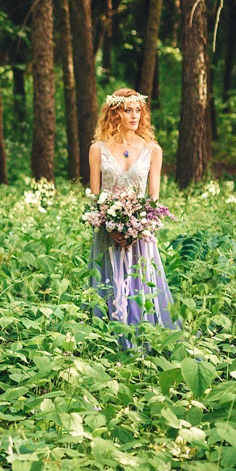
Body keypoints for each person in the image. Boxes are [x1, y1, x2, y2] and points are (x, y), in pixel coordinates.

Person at [86, 88, 178, 342]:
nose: (134, 116)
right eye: (128, 110)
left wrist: (138, 228)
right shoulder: (98, 149)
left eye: (138, 110)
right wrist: (110, 226)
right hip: (107, 233)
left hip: (141, 234)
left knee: (141, 285)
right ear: (115, 113)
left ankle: (143, 338)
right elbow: (94, 196)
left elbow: (154, 199)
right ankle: (106, 341)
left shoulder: (153, 150)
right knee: (108, 285)